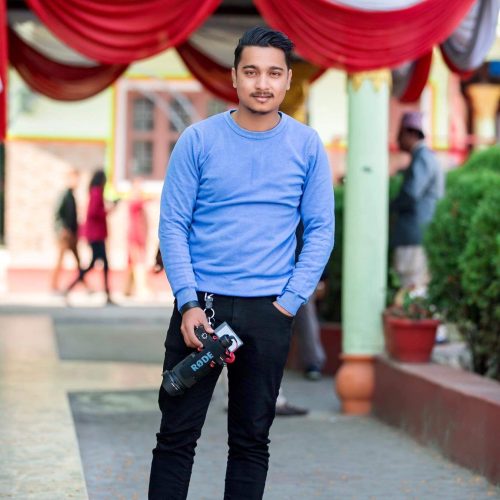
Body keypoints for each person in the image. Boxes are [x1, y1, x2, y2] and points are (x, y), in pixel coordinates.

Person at [149, 27, 334, 500]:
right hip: (201, 310)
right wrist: (188, 302)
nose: (262, 83)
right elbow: (173, 224)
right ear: (233, 77)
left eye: (273, 73)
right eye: (251, 72)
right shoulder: (198, 140)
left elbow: (320, 230)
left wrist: (289, 303)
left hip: (269, 311)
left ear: (288, 80)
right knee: (175, 438)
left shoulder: (306, 145)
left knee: (251, 441)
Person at [390, 111, 444, 291]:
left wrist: (389, 207)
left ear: (411, 133)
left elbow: (411, 194)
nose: (397, 140)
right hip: (419, 234)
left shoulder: (423, 158)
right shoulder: (426, 157)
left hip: (414, 235)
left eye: (400, 134)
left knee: (413, 288)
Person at [65, 169, 116, 304]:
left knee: (97, 264)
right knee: (100, 264)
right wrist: (108, 211)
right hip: (96, 235)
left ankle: (71, 287)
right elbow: (94, 212)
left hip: (96, 234)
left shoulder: (95, 192)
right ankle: (71, 287)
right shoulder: (96, 192)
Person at [51, 168, 83, 292]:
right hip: (65, 234)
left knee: (78, 261)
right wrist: (62, 229)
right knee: (60, 260)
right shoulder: (64, 195)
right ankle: (53, 285)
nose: (77, 182)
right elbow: (57, 214)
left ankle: (83, 282)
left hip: (72, 234)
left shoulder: (72, 196)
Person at [124, 177, 149, 297]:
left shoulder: (135, 199)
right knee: (138, 262)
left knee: (132, 263)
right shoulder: (134, 200)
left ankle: (127, 289)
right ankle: (141, 287)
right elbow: (140, 202)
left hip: (138, 234)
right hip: (135, 235)